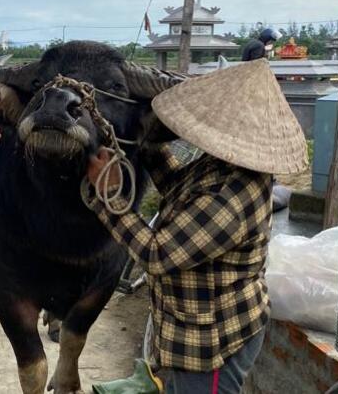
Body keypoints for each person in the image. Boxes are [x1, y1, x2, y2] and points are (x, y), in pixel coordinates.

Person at [86, 60, 308, 394]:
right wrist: (144, 145)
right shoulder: (221, 162)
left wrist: (108, 194)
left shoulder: (233, 194)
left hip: (212, 345)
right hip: (192, 324)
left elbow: (157, 253)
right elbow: (179, 186)